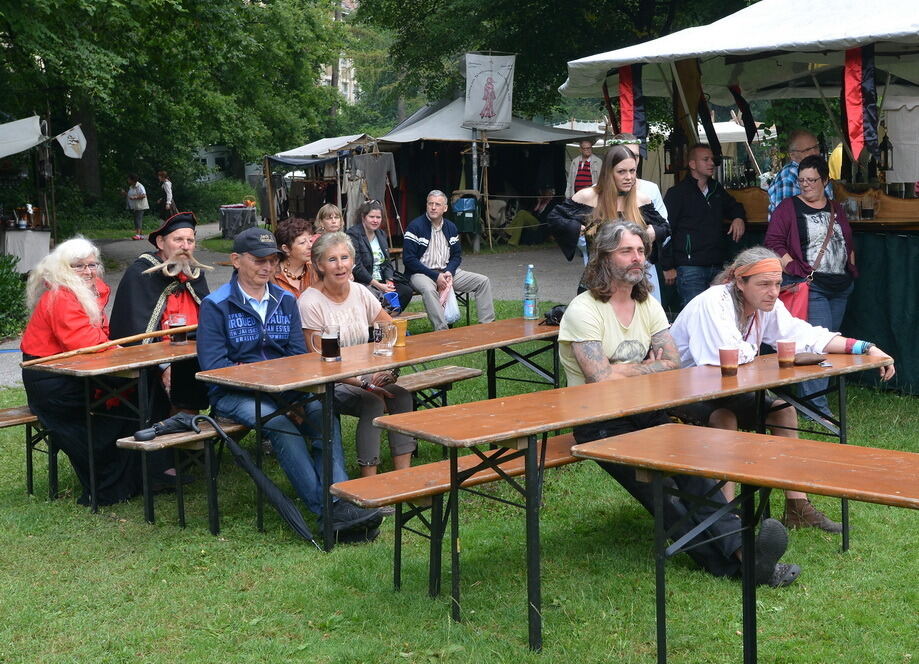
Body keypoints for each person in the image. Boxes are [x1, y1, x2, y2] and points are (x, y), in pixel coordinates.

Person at [559, 221, 800, 587]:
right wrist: (640, 369)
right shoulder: (583, 309)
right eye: (627, 251)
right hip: (599, 420)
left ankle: (746, 560)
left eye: (641, 250)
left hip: (647, 410)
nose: (637, 258)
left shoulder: (647, 303)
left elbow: (671, 362)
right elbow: (601, 379)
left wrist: (625, 368)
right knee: (666, 497)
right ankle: (744, 564)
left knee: (698, 477)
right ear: (605, 257)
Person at [669, 246, 894, 531]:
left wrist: (865, 347)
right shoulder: (714, 302)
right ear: (740, 282)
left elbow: (804, 336)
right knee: (724, 418)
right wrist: (768, 354)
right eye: (764, 284)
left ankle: (796, 506)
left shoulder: (767, 306)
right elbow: (721, 356)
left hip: (727, 391)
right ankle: (724, 520)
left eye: (777, 284)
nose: (773, 292)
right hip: (682, 393)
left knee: (782, 411)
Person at [196, 227, 382, 540]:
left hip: (286, 388)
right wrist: (275, 389)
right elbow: (215, 368)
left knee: (323, 412)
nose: (266, 266)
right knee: (280, 423)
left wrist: (292, 395)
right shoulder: (216, 305)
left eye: (272, 260)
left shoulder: (284, 300)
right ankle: (329, 512)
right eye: (258, 260)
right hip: (232, 393)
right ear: (236, 260)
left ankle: (341, 501)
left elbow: (299, 358)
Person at [20, 237, 145, 506]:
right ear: (64, 269)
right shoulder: (61, 297)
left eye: (92, 265)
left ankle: (137, 476)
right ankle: (113, 484)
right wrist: (123, 350)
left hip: (75, 373)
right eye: (79, 266)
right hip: (52, 382)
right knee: (131, 401)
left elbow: (98, 339)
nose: (89, 271)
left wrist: (119, 348)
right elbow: (84, 343)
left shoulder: (81, 293)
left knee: (138, 394)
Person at [299, 232, 416, 477]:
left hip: (365, 376)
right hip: (330, 383)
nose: (340, 265)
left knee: (402, 396)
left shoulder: (360, 292)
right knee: (371, 401)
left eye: (345, 257)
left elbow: (389, 329)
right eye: (332, 259)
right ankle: (369, 481)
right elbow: (320, 363)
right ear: (319, 265)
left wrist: (384, 369)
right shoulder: (310, 302)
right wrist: (365, 384)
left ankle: (404, 476)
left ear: (353, 261)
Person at [765, 154, 857, 417]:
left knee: (829, 341)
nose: (805, 185)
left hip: (840, 284)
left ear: (825, 180)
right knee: (817, 342)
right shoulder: (788, 207)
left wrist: (850, 266)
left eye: (811, 180)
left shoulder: (835, 207)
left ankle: (814, 402)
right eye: (802, 180)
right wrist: (793, 266)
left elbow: (846, 239)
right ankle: (815, 408)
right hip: (811, 286)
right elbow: (773, 242)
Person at [109, 212, 212, 418]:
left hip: (193, 355)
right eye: (178, 239)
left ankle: (203, 434)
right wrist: (164, 367)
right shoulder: (142, 274)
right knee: (182, 379)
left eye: (190, 240)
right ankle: (183, 441)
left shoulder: (194, 275)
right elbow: (135, 335)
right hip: (152, 363)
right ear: (161, 242)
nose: (185, 246)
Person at [548, 145, 669, 294]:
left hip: (632, 286)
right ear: (608, 172)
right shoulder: (588, 197)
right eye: (621, 172)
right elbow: (554, 218)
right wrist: (575, 228)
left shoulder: (641, 200)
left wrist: (653, 232)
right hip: (596, 283)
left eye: (632, 171)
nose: (629, 177)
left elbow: (665, 227)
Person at [661, 143, 746, 308]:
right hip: (690, 267)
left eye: (712, 159)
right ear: (692, 164)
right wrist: (668, 266)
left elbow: (735, 206)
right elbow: (665, 230)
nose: (711, 163)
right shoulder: (677, 193)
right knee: (696, 317)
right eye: (705, 159)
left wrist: (738, 217)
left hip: (718, 266)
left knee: (720, 315)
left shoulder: (716, 189)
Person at [403, 190, 495, 331]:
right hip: (421, 273)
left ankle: (488, 327)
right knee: (428, 289)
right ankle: (442, 331)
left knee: (483, 281)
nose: (433, 207)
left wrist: (449, 271)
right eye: (430, 204)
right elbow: (408, 260)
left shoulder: (451, 227)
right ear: (426, 206)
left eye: (437, 204)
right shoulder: (415, 226)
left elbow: (456, 256)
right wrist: (436, 276)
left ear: (445, 208)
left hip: (447, 272)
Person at [346, 200, 413, 312]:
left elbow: (386, 262)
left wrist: (389, 281)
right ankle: (380, 322)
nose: (375, 220)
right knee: (375, 296)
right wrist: (378, 285)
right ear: (363, 217)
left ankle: (391, 319)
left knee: (406, 291)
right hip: (365, 282)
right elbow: (357, 267)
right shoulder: (353, 234)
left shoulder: (381, 234)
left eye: (378, 217)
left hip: (382, 279)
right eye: (372, 217)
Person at [767, 130, 833, 219]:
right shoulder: (788, 177)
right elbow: (787, 219)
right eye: (808, 150)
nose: (815, 153)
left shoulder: (819, 171)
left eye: (816, 147)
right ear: (793, 155)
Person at [273, 216, 316, 298]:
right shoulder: (272, 275)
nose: (310, 246)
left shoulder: (316, 271)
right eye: (302, 242)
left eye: (310, 241)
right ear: (286, 249)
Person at [123, 174, 149, 240]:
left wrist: (135, 197)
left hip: (140, 206)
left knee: (138, 220)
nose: (128, 180)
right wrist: (125, 193)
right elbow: (130, 196)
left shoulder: (140, 186)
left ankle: (137, 235)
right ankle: (141, 235)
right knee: (136, 220)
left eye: (129, 179)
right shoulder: (131, 187)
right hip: (135, 206)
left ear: (132, 180)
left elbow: (144, 195)